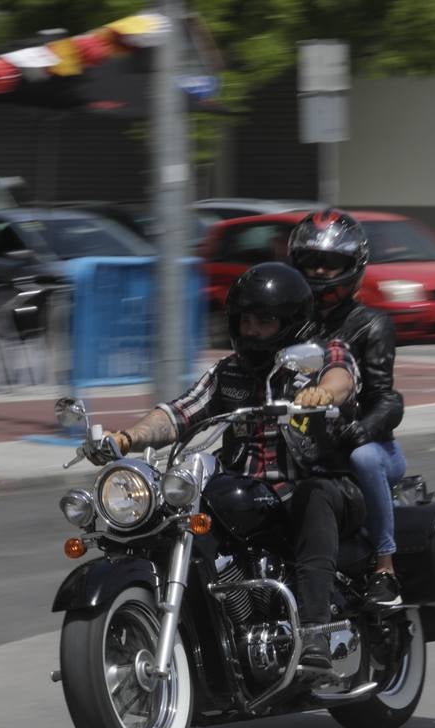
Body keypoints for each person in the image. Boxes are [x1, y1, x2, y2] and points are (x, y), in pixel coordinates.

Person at [95, 262, 364, 670]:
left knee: (315, 496)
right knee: (175, 508)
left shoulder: (317, 356)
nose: (251, 330)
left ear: (292, 322)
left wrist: (321, 393)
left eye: (264, 320)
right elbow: (178, 414)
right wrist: (126, 438)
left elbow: (341, 375)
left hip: (315, 486)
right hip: (249, 491)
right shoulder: (229, 372)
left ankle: (314, 634)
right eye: (244, 319)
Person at [288, 208, 407, 610]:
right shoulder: (292, 324)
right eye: (311, 262)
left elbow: (388, 398)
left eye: (332, 263)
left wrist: (365, 428)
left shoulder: (370, 324)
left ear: (353, 266)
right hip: (307, 442)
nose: (320, 271)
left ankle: (384, 567)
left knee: (364, 458)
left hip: (373, 448)